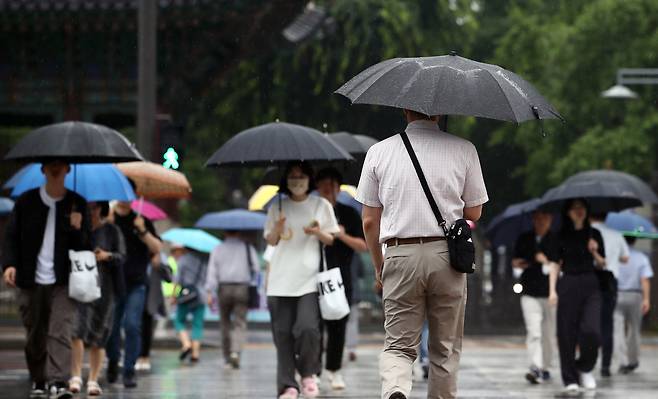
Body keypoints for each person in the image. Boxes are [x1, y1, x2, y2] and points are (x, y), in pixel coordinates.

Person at [356, 110, 488, 399]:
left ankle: (395, 388)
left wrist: (380, 266)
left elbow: (368, 221)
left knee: (399, 345)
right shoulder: (464, 149)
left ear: (405, 110)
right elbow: (474, 211)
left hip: (399, 254)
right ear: (441, 113)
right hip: (447, 257)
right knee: (445, 349)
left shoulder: (379, 152)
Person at [2, 160, 91, 399]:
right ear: (43, 169)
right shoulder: (26, 201)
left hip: (64, 280)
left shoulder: (77, 203)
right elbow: (10, 236)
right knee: (35, 333)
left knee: (60, 329)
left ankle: (58, 381)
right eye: (50, 164)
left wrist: (77, 228)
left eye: (60, 165)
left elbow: (86, 246)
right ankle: (39, 379)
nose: (55, 168)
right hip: (30, 279)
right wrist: (9, 264)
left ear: (67, 170)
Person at [264, 161, 340, 399]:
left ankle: (308, 374)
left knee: (308, 329)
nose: (297, 181)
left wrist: (317, 232)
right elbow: (271, 241)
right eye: (292, 176)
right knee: (283, 334)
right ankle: (287, 385)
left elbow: (331, 239)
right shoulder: (277, 206)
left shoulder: (321, 205)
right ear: (285, 180)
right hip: (279, 280)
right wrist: (277, 227)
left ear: (309, 179)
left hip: (308, 279)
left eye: (301, 176)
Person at [315, 167, 367, 390]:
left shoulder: (349, 213)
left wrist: (341, 235)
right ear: (317, 188)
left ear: (338, 188)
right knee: (314, 326)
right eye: (324, 186)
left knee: (338, 325)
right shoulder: (311, 211)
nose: (328, 190)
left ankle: (334, 370)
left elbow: (363, 245)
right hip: (312, 276)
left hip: (342, 276)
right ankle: (313, 371)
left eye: (332, 186)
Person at [549, 199, 606, 394]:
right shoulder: (560, 236)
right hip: (568, 284)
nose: (579, 211)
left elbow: (602, 264)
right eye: (574, 208)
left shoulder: (595, 234)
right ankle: (569, 378)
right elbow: (555, 264)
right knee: (566, 333)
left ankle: (585, 367)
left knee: (592, 331)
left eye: (582, 207)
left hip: (591, 284)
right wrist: (552, 291)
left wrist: (595, 252)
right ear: (568, 212)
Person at [105, 193, 162, 388]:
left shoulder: (141, 220)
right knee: (111, 328)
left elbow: (157, 247)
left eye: (128, 194)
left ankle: (129, 370)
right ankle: (113, 360)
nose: (123, 198)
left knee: (132, 325)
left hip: (136, 283)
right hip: (113, 282)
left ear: (135, 197)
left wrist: (143, 231)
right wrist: (107, 225)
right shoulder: (108, 219)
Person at [69, 201, 126, 396]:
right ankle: (75, 375)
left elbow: (121, 256)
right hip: (79, 285)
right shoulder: (77, 227)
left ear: (101, 208)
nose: (90, 211)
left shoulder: (111, 231)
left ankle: (93, 379)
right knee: (76, 329)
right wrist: (75, 230)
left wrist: (107, 255)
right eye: (87, 207)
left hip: (105, 287)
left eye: (94, 207)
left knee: (100, 334)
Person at [511, 210, 559, 384]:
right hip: (529, 292)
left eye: (544, 217)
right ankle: (535, 366)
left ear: (550, 219)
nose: (541, 221)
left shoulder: (556, 240)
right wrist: (526, 261)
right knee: (534, 331)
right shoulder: (525, 238)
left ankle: (545, 366)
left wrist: (545, 260)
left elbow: (559, 264)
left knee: (548, 333)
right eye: (537, 218)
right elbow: (515, 261)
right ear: (533, 219)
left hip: (550, 294)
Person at [205, 231, 259, 369]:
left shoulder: (218, 249)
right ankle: (236, 351)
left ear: (224, 232)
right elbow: (256, 268)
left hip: (224, 288)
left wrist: (210, 291)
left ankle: (227, 358)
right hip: (242, 288)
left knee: (225, 323)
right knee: (240, 322)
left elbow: (212, 271)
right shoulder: (247, 247)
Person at [590, 212, 630, 377]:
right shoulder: (616, 234)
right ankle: (605, 365)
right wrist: (614, 258)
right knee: (607, 324)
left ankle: (587, 361)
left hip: (590, 278)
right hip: (610, 280)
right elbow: (626, 258)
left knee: (589, 321)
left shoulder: (586, 233)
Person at [614, 236, 652, 374]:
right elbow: (645, 279)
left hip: (617, 294)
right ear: (635, 240)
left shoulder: (616, 255)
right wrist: (646, 299)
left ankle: (623, 361)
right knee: (634, 329)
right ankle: (633, 360)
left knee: (617, 330)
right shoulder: (641, 257)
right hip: (635, 295)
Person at [136, 251, 173, 372]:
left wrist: (158, 264)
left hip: (150, 295)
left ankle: (144, 356)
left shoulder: (160, 256)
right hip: (135, 292)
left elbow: (169, 277)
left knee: (147, 327)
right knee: (133, 326)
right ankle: (135, 355)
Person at [172, 247, 208, 363]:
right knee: (197, 324)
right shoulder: (204, 260)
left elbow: (177, 280)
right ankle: (195, 353)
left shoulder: (183, 260)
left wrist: (173, 295)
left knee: (179, 320)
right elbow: (208, 279)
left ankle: (186, 344)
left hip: (186, 295)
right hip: (201, 295)